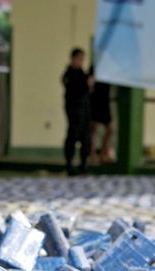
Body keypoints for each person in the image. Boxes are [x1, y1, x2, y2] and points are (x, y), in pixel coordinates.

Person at [62, 48, 93, 176]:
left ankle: (83, 165)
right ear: (73, 59)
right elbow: (75, 89)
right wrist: (87, 84)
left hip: (84, 110)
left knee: (86, 137)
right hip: (74, 110)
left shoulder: (81, 73)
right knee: (73, 136)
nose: (81, 61)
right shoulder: (69, 74)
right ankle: (69, 164)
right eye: (79, 59)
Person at [88, 65, 115, 165]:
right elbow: (89, 83)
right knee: (93, 129)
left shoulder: (110, 67)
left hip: (105, 101)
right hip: (95, 100)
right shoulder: (95, 67)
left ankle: (103, 153)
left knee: (110, 129)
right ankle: (92, 154)